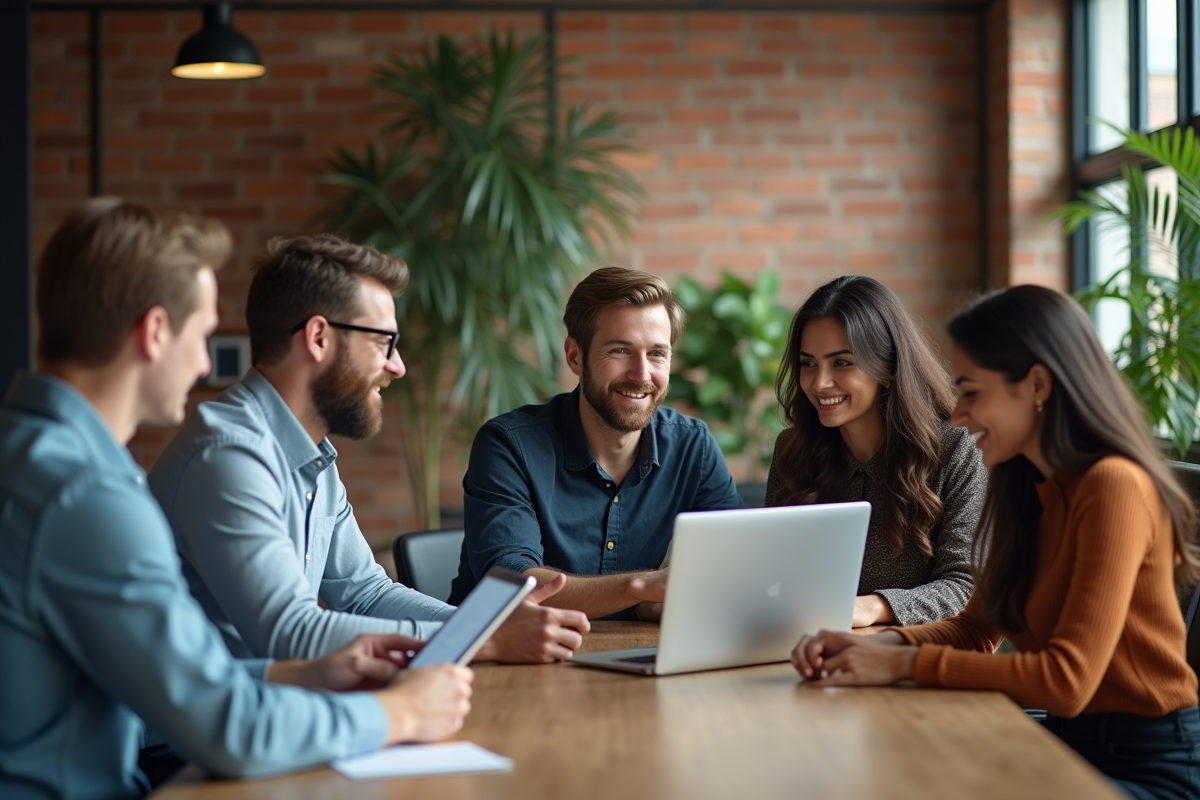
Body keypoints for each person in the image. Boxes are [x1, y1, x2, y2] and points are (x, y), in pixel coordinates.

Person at [0, 198, 473, 800]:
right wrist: (401, 714)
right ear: (154, 333)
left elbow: (174, 680)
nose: (204, 366)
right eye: (201, 335)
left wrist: (298, 672)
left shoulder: (37, 453)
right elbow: (226, 724)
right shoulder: (89, 496)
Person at [792, 285, 1200, 800]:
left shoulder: (1113, 485)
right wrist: (876, 646)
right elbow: (975, 629)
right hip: (1068, 742)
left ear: (1036, 385)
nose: (958, 415)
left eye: (972, 392)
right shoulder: (1021, 483)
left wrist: (900, 662)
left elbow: (1067, 682)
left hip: (1149, 766)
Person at [149, 235, 589, 664]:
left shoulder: (312, 457)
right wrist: (477, 637)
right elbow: (290, 634)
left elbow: (364, 593)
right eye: (383, 343)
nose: (397, 366)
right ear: (319, 337)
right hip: (197, 732)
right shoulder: (229, 456)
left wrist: (490, 624)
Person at [449, 266, 744, 620]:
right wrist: (641, 588)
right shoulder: (509, 446)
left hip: (636, 660)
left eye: (657, 354)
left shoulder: (692, 446)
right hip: (500, 661)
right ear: (575, 356)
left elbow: (734, 567)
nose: (642, 374)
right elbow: (517, 586)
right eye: (620, 351)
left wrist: (652, 606)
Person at [765, 276, 985, 626]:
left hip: (913, 661)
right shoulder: (793, 452)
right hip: (809, 651)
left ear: (887, 368)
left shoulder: (956, 450)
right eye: (808, 363)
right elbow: (772, 580)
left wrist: (870, 607)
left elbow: (967, 587)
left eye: (842, 363)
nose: (819, 383)